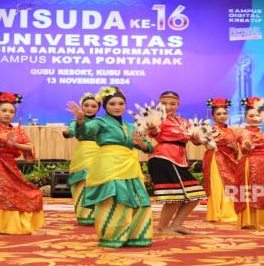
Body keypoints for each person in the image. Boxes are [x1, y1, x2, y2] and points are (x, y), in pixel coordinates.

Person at [67, 86, 153, 248]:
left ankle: (136, 236)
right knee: (114, 201)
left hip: (130, 167)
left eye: (120, 103)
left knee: (140, 201)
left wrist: (142, 143)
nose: (117, 107)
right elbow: (87, 130)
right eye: (112, 103)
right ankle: (112, 236)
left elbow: (148, 147)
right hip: (109, 167)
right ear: (105, 106)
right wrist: (80, 121)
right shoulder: (99, 122)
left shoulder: (130, 126)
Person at [0, 92, 44, 234]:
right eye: (3, 110)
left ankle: (8, 225)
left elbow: (30, 147)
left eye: (11, 111)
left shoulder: (17, 130)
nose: (7, 114)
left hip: (9, 166)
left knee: (26, 192)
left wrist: (15, 144)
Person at [147, 91, 206, 235]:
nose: (168, 107)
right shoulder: (157, 119)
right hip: (163, 158)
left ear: (178, 105)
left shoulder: (184, 122)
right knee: (174, 196)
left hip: (179, 159)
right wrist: (153, 130)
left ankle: (176, 225)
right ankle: (162, 228)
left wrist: (197, 138)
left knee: (196, 195)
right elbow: (154, 133)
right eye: (164, 103)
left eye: (172, 104)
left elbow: (195, 141)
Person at [233, 97, 264, 230]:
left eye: (258, 115)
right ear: (245, 117)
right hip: (252, 164)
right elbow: (244, 142)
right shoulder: (243, 132)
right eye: (251, 115)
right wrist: (247, 145)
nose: (255, 118)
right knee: (254, 190)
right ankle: (252, 221)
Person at [61, 93, 101, 226]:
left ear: (98, 108)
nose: (89, 108)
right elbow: (71, 131)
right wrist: (67, 132)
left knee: (98, 183)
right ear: (82, 106)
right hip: (83, 154)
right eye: (86, 105)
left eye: (93, 106)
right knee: (82, 183)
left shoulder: (101, 122)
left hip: (100, 154)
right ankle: (84, 215)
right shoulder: (76, 120)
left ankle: (98, 214)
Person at [202, 98, 238, 222]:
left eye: (224, 113)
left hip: (229, 159)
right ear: (213, 116)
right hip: (215, 158)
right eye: (218, 114)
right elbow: (205, 143)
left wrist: (235, 148)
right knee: (217, 184)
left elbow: (235, 148)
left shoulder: (230, 130)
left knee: (230, 184)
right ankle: (216, 212)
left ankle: (229, 211)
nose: (222, 116)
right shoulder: (210, 129)